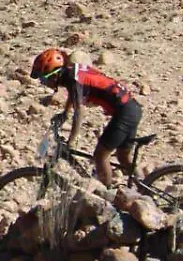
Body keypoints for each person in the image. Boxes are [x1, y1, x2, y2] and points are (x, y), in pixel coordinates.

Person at [30, 48, 143, 187]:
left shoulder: (73, 79)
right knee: (123, 157)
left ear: (54, 74)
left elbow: (79, 113)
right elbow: (74, 95)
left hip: (124, 112)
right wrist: (65, 113)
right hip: (132, 108)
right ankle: (145, 189)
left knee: (100, 156)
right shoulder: (72, 73)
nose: (43, 83)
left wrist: (71, 140)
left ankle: (107, 199)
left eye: (43, 79)